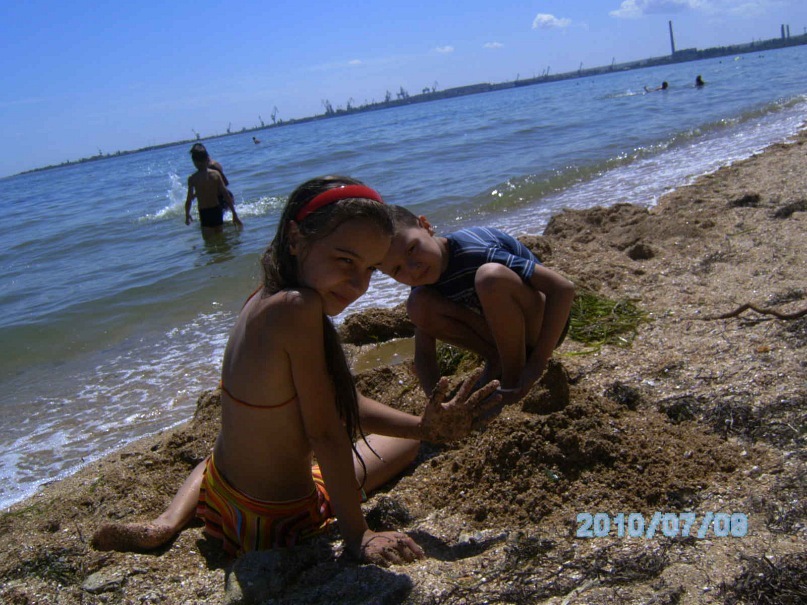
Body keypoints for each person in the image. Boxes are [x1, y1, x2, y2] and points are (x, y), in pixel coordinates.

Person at [93, 176, 500, 566]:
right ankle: (170, 522)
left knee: (218, 455)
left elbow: (342, 404)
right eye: (345, 260)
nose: (358, 284)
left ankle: (166, 522)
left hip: (218, 495)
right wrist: (358, 534)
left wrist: (424, 425)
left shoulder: (264, 294)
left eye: (372, 269)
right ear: (295, 237)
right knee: (406, 446)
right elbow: (326, 432)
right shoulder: (298, 308)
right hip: (272, 523)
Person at [378, 205, 575, 407]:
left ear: (425, 226)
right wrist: (437, 403)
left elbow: (563, 288)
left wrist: (538, 362)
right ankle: (496, 359)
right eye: (397, 269)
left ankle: (512, 375)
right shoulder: (423, 279)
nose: (413, 269)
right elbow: (424, 355)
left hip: (543, 328)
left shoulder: (474, 251)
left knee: (490, 278)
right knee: (418, 304)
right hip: (504, 337)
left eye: (412, 249)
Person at [185, 144, 243, 237]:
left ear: (194, 162)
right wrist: (234, 214)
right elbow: (226, 194)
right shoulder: (215, 174)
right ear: (207, 158)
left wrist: (187, 215)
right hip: (216, 210)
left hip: (204, 212)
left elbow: (189, 200)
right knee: (221, 238)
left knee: (209, 241)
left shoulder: (192, 179)